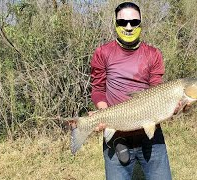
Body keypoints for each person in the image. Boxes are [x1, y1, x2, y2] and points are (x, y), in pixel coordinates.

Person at [79, 2, 189, 179]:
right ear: (115, 24)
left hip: (152, 138)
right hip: (117, 138)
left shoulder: (153, 54)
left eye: (133, 22)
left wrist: (175, 107)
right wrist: (103, 114)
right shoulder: (103, 52)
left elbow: (157, 90)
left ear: (140, 23)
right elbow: (98, 89)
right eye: (123, 22)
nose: (128, 27)